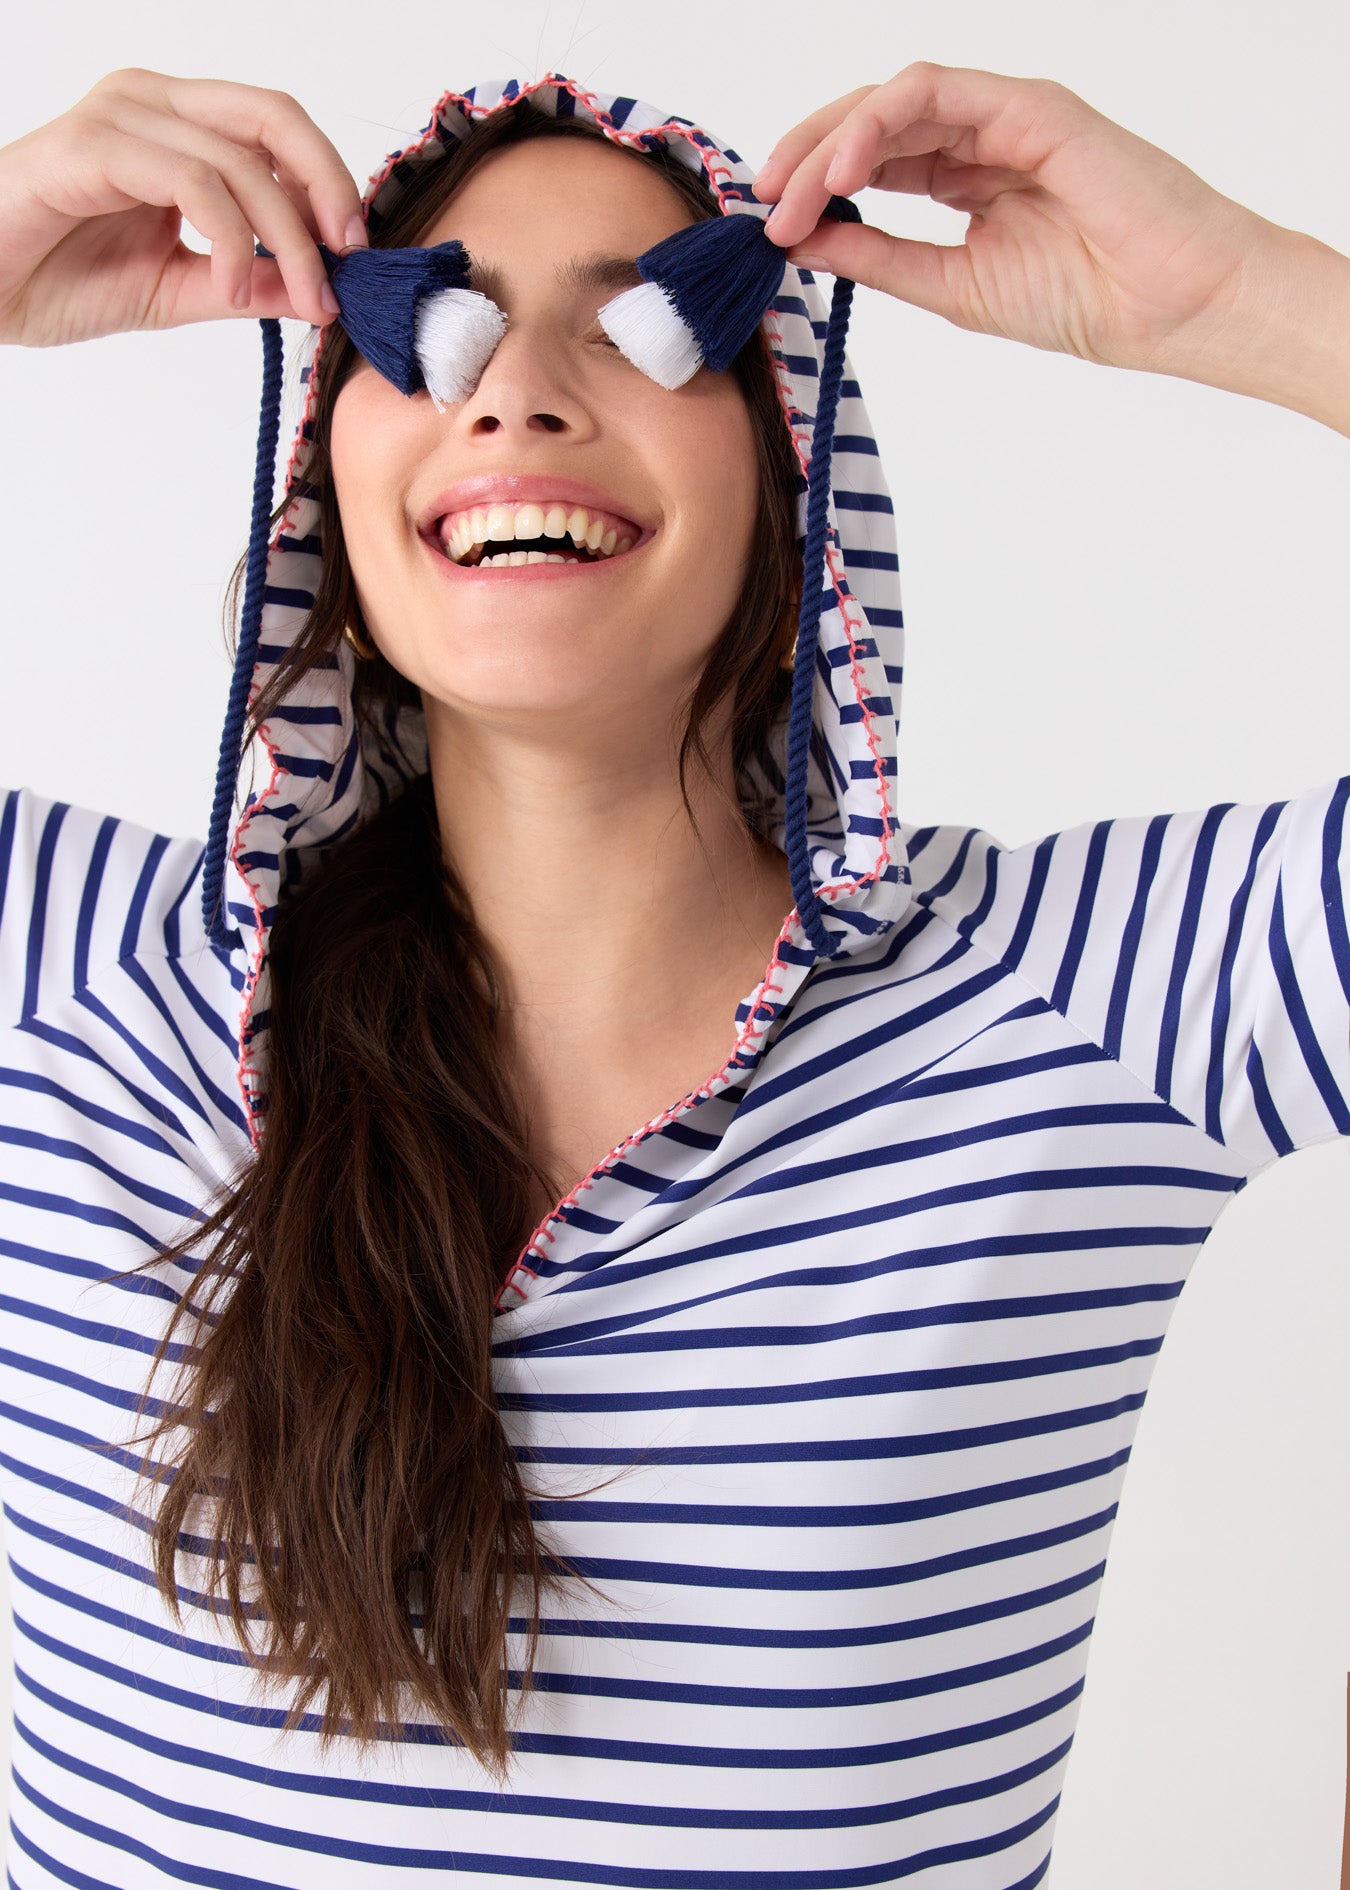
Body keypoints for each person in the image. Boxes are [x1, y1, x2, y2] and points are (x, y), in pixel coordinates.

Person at [0, 57, 1346, 1889]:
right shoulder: (54, 972)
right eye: (439, 333)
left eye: (640, 331)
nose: (525, 399)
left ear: (788, 451)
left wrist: (1249, 300)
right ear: (330, 455)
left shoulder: (1093, 1002)